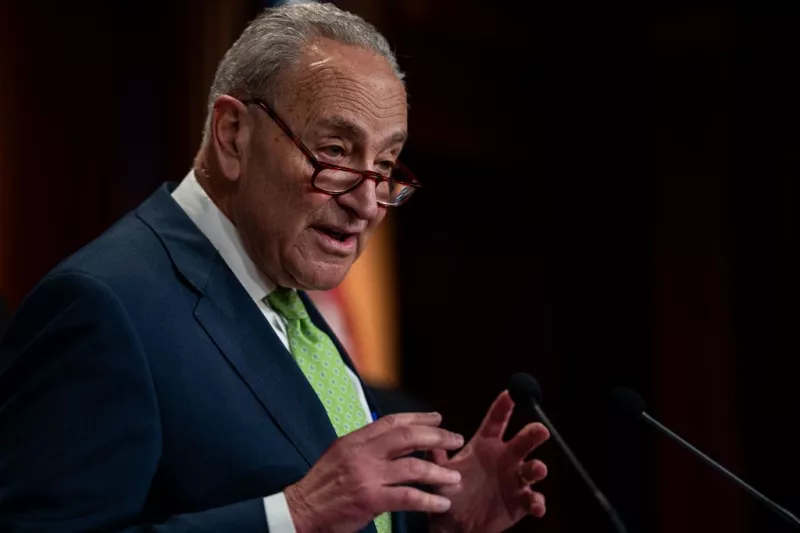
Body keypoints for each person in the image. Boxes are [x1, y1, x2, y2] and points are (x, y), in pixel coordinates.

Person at [0, 3, 550, 532]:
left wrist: (434, 526)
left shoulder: (288, 293)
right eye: (334, 152)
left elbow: (339, 505)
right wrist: (294, 516)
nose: (366, 204)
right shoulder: (103, 306)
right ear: (233, 135)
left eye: (383, 167)